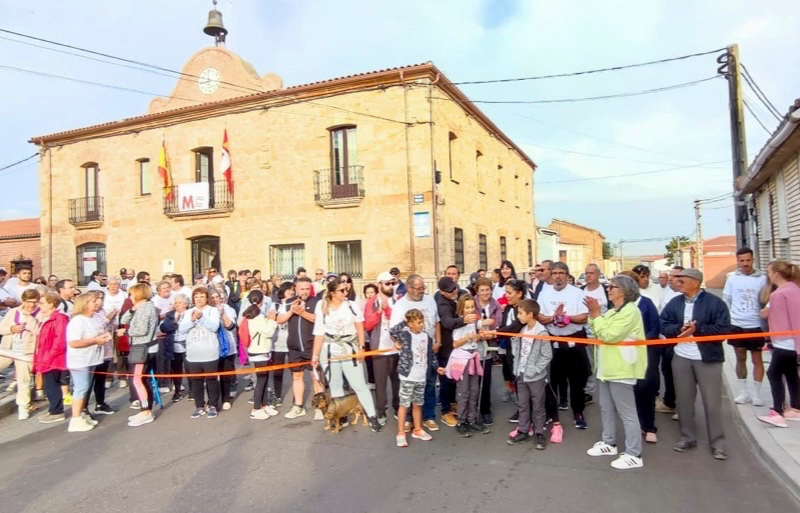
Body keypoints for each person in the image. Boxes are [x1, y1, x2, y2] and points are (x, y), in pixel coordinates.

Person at [660, 268, 730, 460]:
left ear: (696, 282)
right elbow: (663, 324)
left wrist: (697, 331)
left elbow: (723, 329)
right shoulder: (675, 303)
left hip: (707, 359)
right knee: (683, 401)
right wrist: (678, 329)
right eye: (677, 280)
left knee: (712, 403)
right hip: (681, 356)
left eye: (682, 280)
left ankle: (718, 443)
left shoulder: (715, 303)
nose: (677, 283)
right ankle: (687, 437)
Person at [585, 274, 647, 470]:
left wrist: (595, 314)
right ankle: (608, 442)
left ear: (624, 291)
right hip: (606, 368)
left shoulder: (631, 311)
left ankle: (633, 453)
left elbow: (609, 335)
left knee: (627, 412)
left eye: (612, 287)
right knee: (606, 407)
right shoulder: (613, 312)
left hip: (621, 368)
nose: (608, 289)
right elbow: (596, 330)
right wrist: (594, 316)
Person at [311, 278, 382, 432]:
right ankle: (340, 417)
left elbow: (359, 327)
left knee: (359, 385)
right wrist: (315, 356)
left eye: (346, 289)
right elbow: (319, 333)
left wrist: (362, 348)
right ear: (332, 293)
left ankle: (372, 416)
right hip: (329, 350)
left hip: (350, 348)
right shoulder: (321, 306)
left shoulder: (351, 305)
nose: (346, 292)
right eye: (342, 290)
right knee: (335, 386)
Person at [537, 261, 590, 431]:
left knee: (577, 381)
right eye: (554, 273)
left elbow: (584, 317)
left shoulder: (577, 293)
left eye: (561, 273)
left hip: (574, 340)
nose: (558, 276)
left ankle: (578, 413)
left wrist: (568, 319)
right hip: (554, 340)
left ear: (567, 276)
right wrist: (554, 317)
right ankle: (552, 415)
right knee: (552, 380)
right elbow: (540, 317)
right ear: (551, 275)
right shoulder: (544, 294)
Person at [389, 274, 441, 432]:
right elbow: (393, 331)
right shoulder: (400, 305)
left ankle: (428, 416)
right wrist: (397, 342)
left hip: (429, 350)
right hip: (411, 357)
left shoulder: (430, 300)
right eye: (419, 289)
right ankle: (409, 418)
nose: (421, 291)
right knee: (410, 387)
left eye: (423, 288)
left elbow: (436, 321)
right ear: (409, 288)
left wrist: (438, 341)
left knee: (429, 385)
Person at [615, 271, 660, 443]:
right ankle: (633, 426)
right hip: (623, 354)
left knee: (645, 388)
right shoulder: (617, 306)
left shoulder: (646, 303)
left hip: (645, 353)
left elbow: (655, 328)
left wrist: (640, 343)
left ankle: (649, 426)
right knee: (628, 391)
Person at [390, 309, 445, 447]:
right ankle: (401, 432)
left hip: (421, 376)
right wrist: (405, 321)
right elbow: (392, 331)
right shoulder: (405, 335)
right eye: (418, 322)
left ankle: (418, 429)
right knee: (404, 404)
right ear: (410, 324)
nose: (422, 325)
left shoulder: (426, 337)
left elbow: (430, 355)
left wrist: (436, 367)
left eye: (422, 322)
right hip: (408, 376)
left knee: (418, 404)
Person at [722, 247, 768, 406]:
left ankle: (757, 394)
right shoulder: (732, 278)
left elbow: (768, 299)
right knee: (740, 357)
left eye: (748, 260)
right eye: (742, 261)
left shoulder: (762, 278)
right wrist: (727, 321)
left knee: (757, 359)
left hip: (755, 325)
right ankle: (743, 392)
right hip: (737, 324)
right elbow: (726, 300)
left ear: (753, 260)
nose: (745, 263)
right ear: (737, 261)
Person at [757, 261, 800, 428]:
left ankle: (777, 412)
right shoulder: (791, 290)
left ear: (776, 273)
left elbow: (795, 318)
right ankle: (795, 408)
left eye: (769, 272)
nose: (768, 275)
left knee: (773, 373)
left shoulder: (782, 293)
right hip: (785, 340)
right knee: (791, 375)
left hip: (786, 342)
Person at [507, 299, 552, 450]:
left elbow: (547, 355)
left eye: (520, 313)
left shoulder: (541, 332)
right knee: (523, 404)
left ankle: (539, 432)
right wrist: (515, 344)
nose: (518, 316)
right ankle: (523, 430)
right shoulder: (522, 330)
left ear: (530, 314)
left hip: (535, 376)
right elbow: (517, 352)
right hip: (521, 373)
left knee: (538, 405)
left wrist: (535, 370)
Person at [279, 277, 324, 420]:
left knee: (316, 377)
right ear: (295, 289)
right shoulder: (288, 302)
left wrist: (302, 313)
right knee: (297, 376)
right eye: (301, 289)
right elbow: (279, 319)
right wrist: (292, 311)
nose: (304, 291)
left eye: (307, 288)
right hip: (294, 347)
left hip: (311, 346)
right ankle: (298, 406)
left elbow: (319, 319)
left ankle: (320, 407)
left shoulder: (317, 302)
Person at [449, 295, 492, 436]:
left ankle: (472, 419)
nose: (470, 310)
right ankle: (461, 420)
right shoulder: (459, 323)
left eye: (472, 307)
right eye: (467, 307)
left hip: (473, 357)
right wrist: (468, 338)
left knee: (474, 390)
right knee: (464, 392)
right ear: (461, 308)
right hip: (462, 359)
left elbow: (479, 331)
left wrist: (479, 335)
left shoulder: (474, 322)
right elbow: (455, 344)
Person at [65, 293, 108, 432]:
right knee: (81, 387)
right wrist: (95, 340)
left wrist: (102, 337)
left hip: (92, 358)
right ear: (84, 304)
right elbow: (74, 342)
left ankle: (82, 413)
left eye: (97, 301)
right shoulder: (78, 321)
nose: (97, 303)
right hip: (80, 360)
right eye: (93, 301)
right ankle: (75, 418)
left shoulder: (94, 318)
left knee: (86, 387)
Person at [120, 283, 158, 427]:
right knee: (143, 379)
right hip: (143, 347)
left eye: (131, 294)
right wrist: (131, 310)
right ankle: (145, 408)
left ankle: (145, 411)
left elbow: (141, 329)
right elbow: (123, 320)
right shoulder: (140, 308)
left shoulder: (146, 309)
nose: (130, 298)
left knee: (137, 380)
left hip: (143, 348)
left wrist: (125, 332)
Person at [179, 287, 222, 419]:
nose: (198, 299)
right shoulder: (188, 312)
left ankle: (213, 405)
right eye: (196, 296)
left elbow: (214, 327)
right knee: (196, 380)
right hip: (193, 352)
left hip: (209, 351)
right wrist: (192, 320)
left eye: (202, 296)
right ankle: (199, 405)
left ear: (207, 298)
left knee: (211, 380)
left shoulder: (213, 311)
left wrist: (202, 318)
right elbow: (182, 329)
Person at [434, 276, 471, 427]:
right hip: (447, 348)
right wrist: (465, 320)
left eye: (455, 287)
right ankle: (445, 411)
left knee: (456, 378)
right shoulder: (442, 303)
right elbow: (448, 323)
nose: (454, 291)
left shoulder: (461, 293)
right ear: (443, 292)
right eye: (450, 290)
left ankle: (454, 403)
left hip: (459, 347)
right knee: (446, 381)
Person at [0, 288, 41, 420]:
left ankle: (23, 407)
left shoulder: (40, 314)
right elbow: (1, 329)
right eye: (29, 301)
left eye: (35, 302)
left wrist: (31, 320)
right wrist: (12, 328)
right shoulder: (13, 312)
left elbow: (39, 332)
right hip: (8, 348)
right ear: (23, 301)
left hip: (26, 352)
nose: (31, 305)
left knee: (24, 380)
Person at [364, 272, 398, 425]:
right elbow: (368, 325)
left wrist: (388, 310)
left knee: (398, 381)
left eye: (392, 283)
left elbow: (400, 320)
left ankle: (398, 407)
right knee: (380, 382)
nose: (391, 286)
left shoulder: (398, 300)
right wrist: (380, 311)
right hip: (379, 349)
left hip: (397, 348)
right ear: (379, 285)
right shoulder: (372, 302)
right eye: (387, 283)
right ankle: (381, 410)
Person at [242, 290, 280, 420]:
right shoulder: (257, 317)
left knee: (264, 379)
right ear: (262, 301)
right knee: (261, 381)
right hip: (259, 351)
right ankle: (256, 408)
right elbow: (268, 332)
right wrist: (273, 320)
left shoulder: (254, 315)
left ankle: (264, 405)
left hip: (261, 350)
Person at [34, 292, 69, 423]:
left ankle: (57, 411)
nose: (39, 305)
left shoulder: (59, 318)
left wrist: (48, 356)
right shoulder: (45, 318)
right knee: (49, 385)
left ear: (51, 304)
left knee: (52, 385)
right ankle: (53, 409)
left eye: (42, 303)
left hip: (54, 358)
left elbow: (59, 340)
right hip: (45, 356)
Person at [473, 277, 501, 426]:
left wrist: (491, 332)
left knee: (485, 381)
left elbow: (498, 323)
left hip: (488, 347)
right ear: (477, 291)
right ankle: (471, 411)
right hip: (472, 347)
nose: (485, 293)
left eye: (487, 290)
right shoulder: (471, 303)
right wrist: (480, 327)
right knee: (472, 382)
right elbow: (467, 321)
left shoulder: (495, 305)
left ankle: (485, 410)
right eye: (482, 290)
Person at [581, 263, 610, 405]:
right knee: (590, 364)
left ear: (598, 274)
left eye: (591, 273)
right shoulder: (580, 291)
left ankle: (610, 390)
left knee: (606, 363)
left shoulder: (606, 291)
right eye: (586, 273)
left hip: (604, 333)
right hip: (587, 334)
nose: (588, 276)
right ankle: (589, 391)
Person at [87, 290, 116, 416]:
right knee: (88, 382)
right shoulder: (88, 315)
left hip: (105, 350)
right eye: (96, 299)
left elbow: (108, 325)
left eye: (101, 299)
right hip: (93, 352)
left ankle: (100, 403)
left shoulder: (102, 312)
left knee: (101, 379)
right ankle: (84, 407)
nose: (99, 302)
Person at [209, 289, 238, 410]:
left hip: (227, 345)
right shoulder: (207, 310)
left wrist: (222, 314)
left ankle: (226, 399)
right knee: (212, 376)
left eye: (218, 297)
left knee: (225, 374)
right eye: (213, 297)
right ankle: (213, 401)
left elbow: (230, 326)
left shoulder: (228, 309)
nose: (216, 299)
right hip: (211, 345)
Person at [268, 282, 295, 407]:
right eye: (289, 289)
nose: (291, 292)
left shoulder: (295, 303)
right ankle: (277, 396)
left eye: (293, 290)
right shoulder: (275, 304)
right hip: (277, 342)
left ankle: (296, 396)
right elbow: (272, 318)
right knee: (277, 372)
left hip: (292, 342)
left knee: (295, 371)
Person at [160, 293, 189, 403]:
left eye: (180, 303)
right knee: (176, 369)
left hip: (187, 344)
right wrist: (175, 322)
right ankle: (177, 391)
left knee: (189, 368)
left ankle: (192, 391)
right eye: (176, 303)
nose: (177, 305)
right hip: (173, 345)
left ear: (186, 304)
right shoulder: (170, 314)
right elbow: (164, 328)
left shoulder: (190, 313)